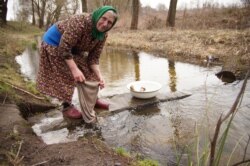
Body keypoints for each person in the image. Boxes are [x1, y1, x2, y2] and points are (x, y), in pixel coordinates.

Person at [36, 6, 118, 119]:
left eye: (109, 22)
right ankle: (66, 107)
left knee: (89, 72)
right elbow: (64, 48)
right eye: (103, 18)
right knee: (67, 73)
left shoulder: (103, 35)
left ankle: (93, 99)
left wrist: (100, 76)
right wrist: (74, 70)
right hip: (54, 44)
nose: (105, 24)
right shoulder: (80, 21)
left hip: (74, 48)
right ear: (98, 15)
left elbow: (93, 58)